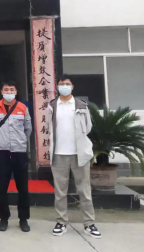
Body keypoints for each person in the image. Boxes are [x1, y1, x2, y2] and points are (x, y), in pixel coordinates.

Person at [47, 75, 101, 239]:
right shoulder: (52, 106)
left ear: (72, 87)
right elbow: (49, 127)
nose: (64, 86)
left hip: (79, 154)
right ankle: (61, 222)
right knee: (60, 192)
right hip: (58, 154)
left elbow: (88, 127)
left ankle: (89, 223)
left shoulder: (81, 106)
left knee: (84, 191)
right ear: (57, 87)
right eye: (61, 84)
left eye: (67, 84)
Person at [0, 80, 32, 233]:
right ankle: (3, 218)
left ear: (16, 91)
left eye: (12, 89)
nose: (9, 92)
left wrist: (20, 142)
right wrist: (0, 142)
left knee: (23, 188)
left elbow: (28, 128)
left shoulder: (23, 108)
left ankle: (23, 219)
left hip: (19, 152)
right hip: (2, 152)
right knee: (1, 188)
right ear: (1, 92)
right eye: (6, 89)